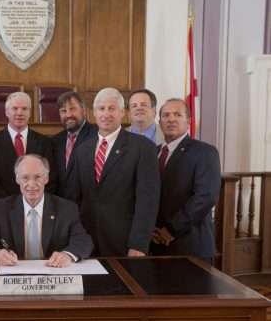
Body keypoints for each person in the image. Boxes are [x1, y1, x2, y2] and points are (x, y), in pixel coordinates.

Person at [74, 87, 160, 257]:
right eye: (101, 109)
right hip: (87, 241)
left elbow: (147, 202)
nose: (106, 114)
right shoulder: (82, 149)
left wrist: (139, 244)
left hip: (125, 242)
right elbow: (77, 198)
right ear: (94, 114)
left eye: (112, 109)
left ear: (122, 112)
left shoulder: (142, 147)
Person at [0, 154, 93, 267]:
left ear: (46, 178)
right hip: (15, 278)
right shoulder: (0, 208)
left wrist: (68, 255)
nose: (31, 184)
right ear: (17, 179)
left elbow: (83, 240)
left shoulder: (67, 208)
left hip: (54, 275)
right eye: (25, 178)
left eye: (37, 177)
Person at [151, 99, 221, 264]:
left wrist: (171, 229)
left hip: (189, 245)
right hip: (155, 243)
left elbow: (205, 197)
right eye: (166, 115)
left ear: (188, 121)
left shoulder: (205, 152)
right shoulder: (152, 153)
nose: (171, 119)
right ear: (160, 122)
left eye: (177, 115)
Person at [0, 92, 58, 201]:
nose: (19, 113)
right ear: (6, 112)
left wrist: (34, 202)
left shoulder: (45, 142)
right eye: (14, 108)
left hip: (38, 206)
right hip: (4, 208)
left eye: (24, 109)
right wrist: (13, 205)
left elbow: (52, 179)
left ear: (30, 112)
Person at [51, 91, 97, 199]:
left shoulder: (97, 136)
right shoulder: (54, 141)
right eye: (63, 111)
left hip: (87, 205)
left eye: (72, 109)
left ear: (84, 110)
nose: (68, 115)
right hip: (61, 205)